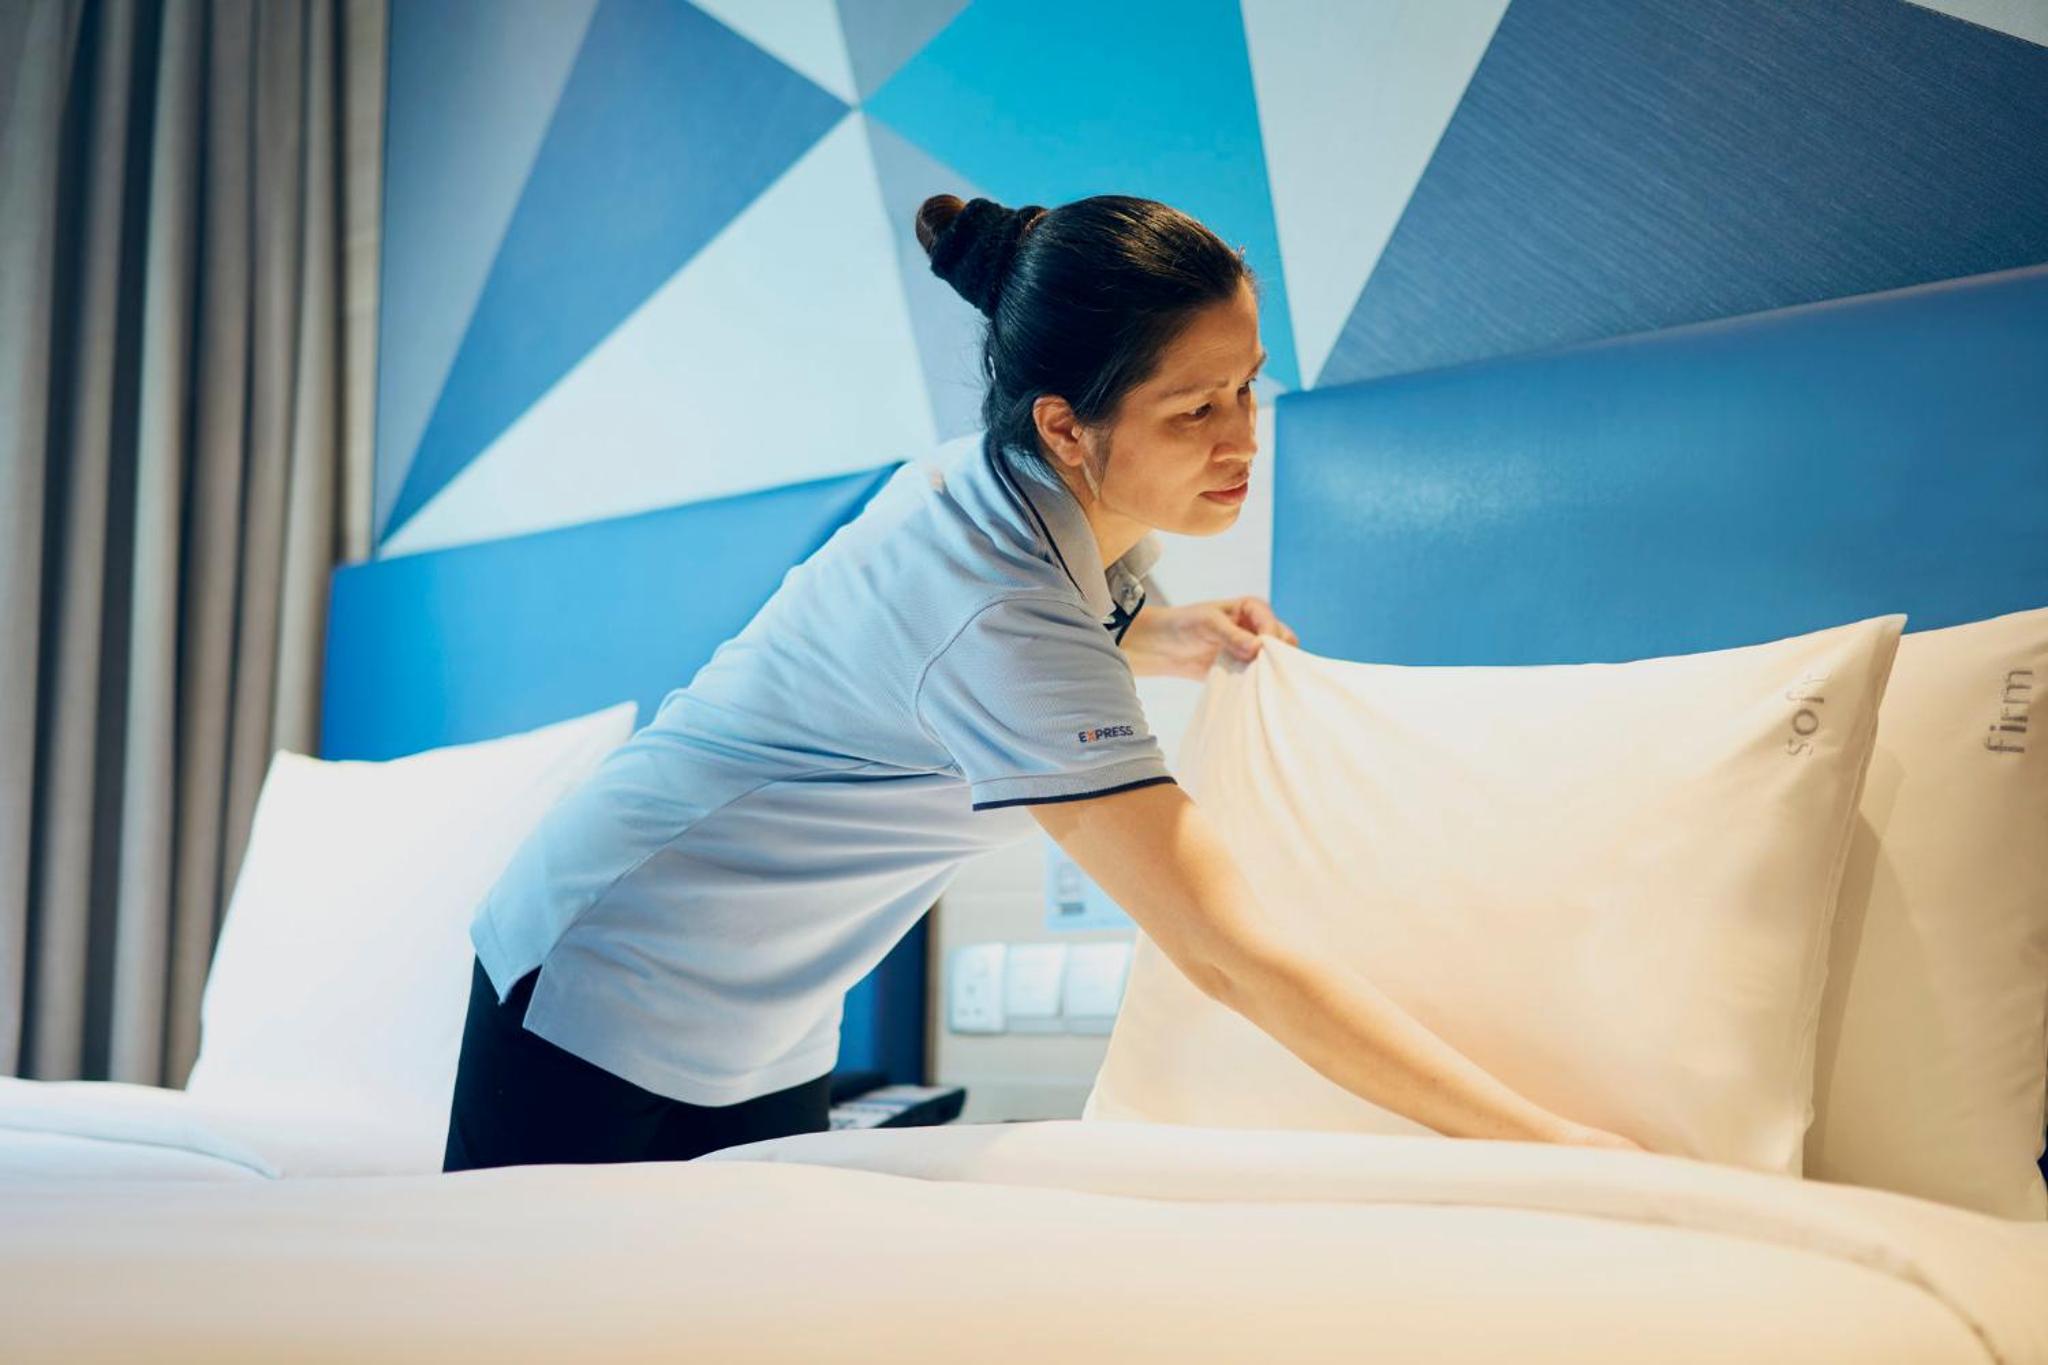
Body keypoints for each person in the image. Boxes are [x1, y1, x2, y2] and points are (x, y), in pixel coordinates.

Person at [440, 193, 1644, 1173]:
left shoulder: (1017, 496)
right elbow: (1226, 952)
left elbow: (976, 656)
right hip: (612, 963)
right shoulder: (994, 602)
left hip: (768, 1002)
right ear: (1067, 425)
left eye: (1246, 386)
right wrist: (1546, 1145)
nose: (1241, 438)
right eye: (1194, 409)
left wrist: (1164, 635)